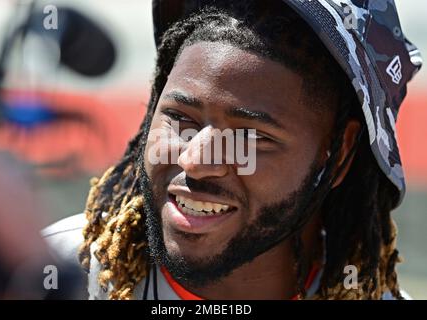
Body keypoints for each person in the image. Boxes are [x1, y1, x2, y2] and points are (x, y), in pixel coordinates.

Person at [45, 0, 422, 299]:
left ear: (338, 154)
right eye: (181, 118)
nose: (194, 161)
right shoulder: (40, 275)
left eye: (253, 136)